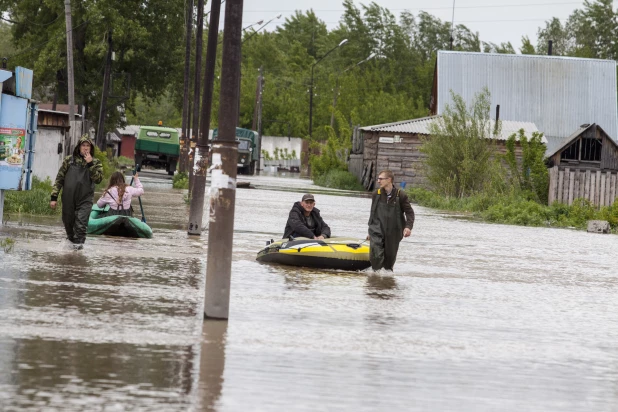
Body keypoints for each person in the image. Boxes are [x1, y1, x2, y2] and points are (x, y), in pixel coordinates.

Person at [50, 134, 103, 249]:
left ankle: (79, 252)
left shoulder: (96, 162)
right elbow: (59, 179)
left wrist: (90, 164)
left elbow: (98, 179)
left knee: (81, 225)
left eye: (88, 146)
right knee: (68, 225)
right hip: (68, 199)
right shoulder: (69, 161)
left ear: (91, 148)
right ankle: (71, 251)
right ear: (79, 147)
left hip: (85, 200)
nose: (85, 148)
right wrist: (54, 197)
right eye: (83, 145)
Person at [367, 170, 415, 271]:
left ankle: (387, 282)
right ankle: (374, 280)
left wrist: (408, 227)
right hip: (377, 230)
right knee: (375, 255)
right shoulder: (376, 194)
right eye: (378, 179)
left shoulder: (400, 195)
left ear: (389, 180)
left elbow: (409, 213)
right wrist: (370, 232)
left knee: (389, 263)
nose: (378, 181)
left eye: (381, 179)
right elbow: (373, 214)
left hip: (394, 231)